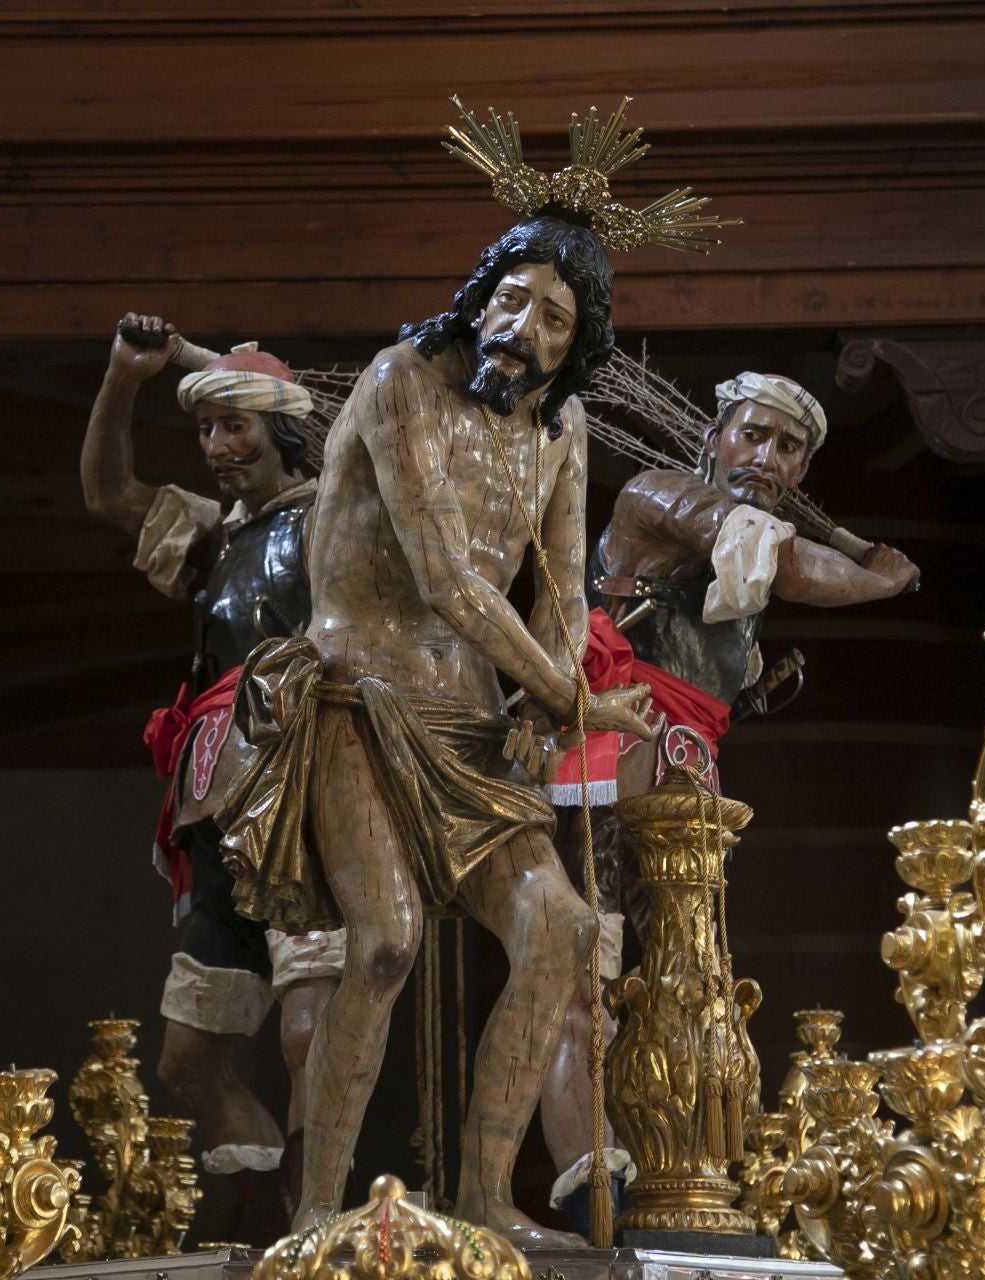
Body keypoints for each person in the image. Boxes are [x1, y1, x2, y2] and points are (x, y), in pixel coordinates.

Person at [216, 218, 658, 1245]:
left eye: (555, 317)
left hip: (471, 714)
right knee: (385, 940)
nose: (523, 325)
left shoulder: (563, 426)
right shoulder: (400, 378)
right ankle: (318, 1215)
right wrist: (569, 696)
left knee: (558, 929)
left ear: (576, 343)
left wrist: (542, 704)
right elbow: (447, 573)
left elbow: (557, 582)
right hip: (356, 695)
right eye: (512, 294)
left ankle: (483, 1197)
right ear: (481, 290)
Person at [541, 370, 921, 1224]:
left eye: (789, 448)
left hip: (687, 767)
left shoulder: (737, 553)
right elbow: (788, 562)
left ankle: (688, 1176)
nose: (766, 457)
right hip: (614, 743)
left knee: (694, 982)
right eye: (752, 435)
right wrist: (879, 580)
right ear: (713, 437)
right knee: (583, 968)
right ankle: (587, 1178)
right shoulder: (663, 496)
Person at [79, 313, 342, 1241]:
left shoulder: (336, 515)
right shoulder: (213, 536)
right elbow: (111, 493)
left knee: (311, 1037)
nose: (218, 446)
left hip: (308, 794)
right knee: (186, 1062)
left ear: (284, 428)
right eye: (204, 428)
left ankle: (310, 1233)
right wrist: (125, 376)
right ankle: (276, 1220)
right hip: (214, 808)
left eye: (236, 426)